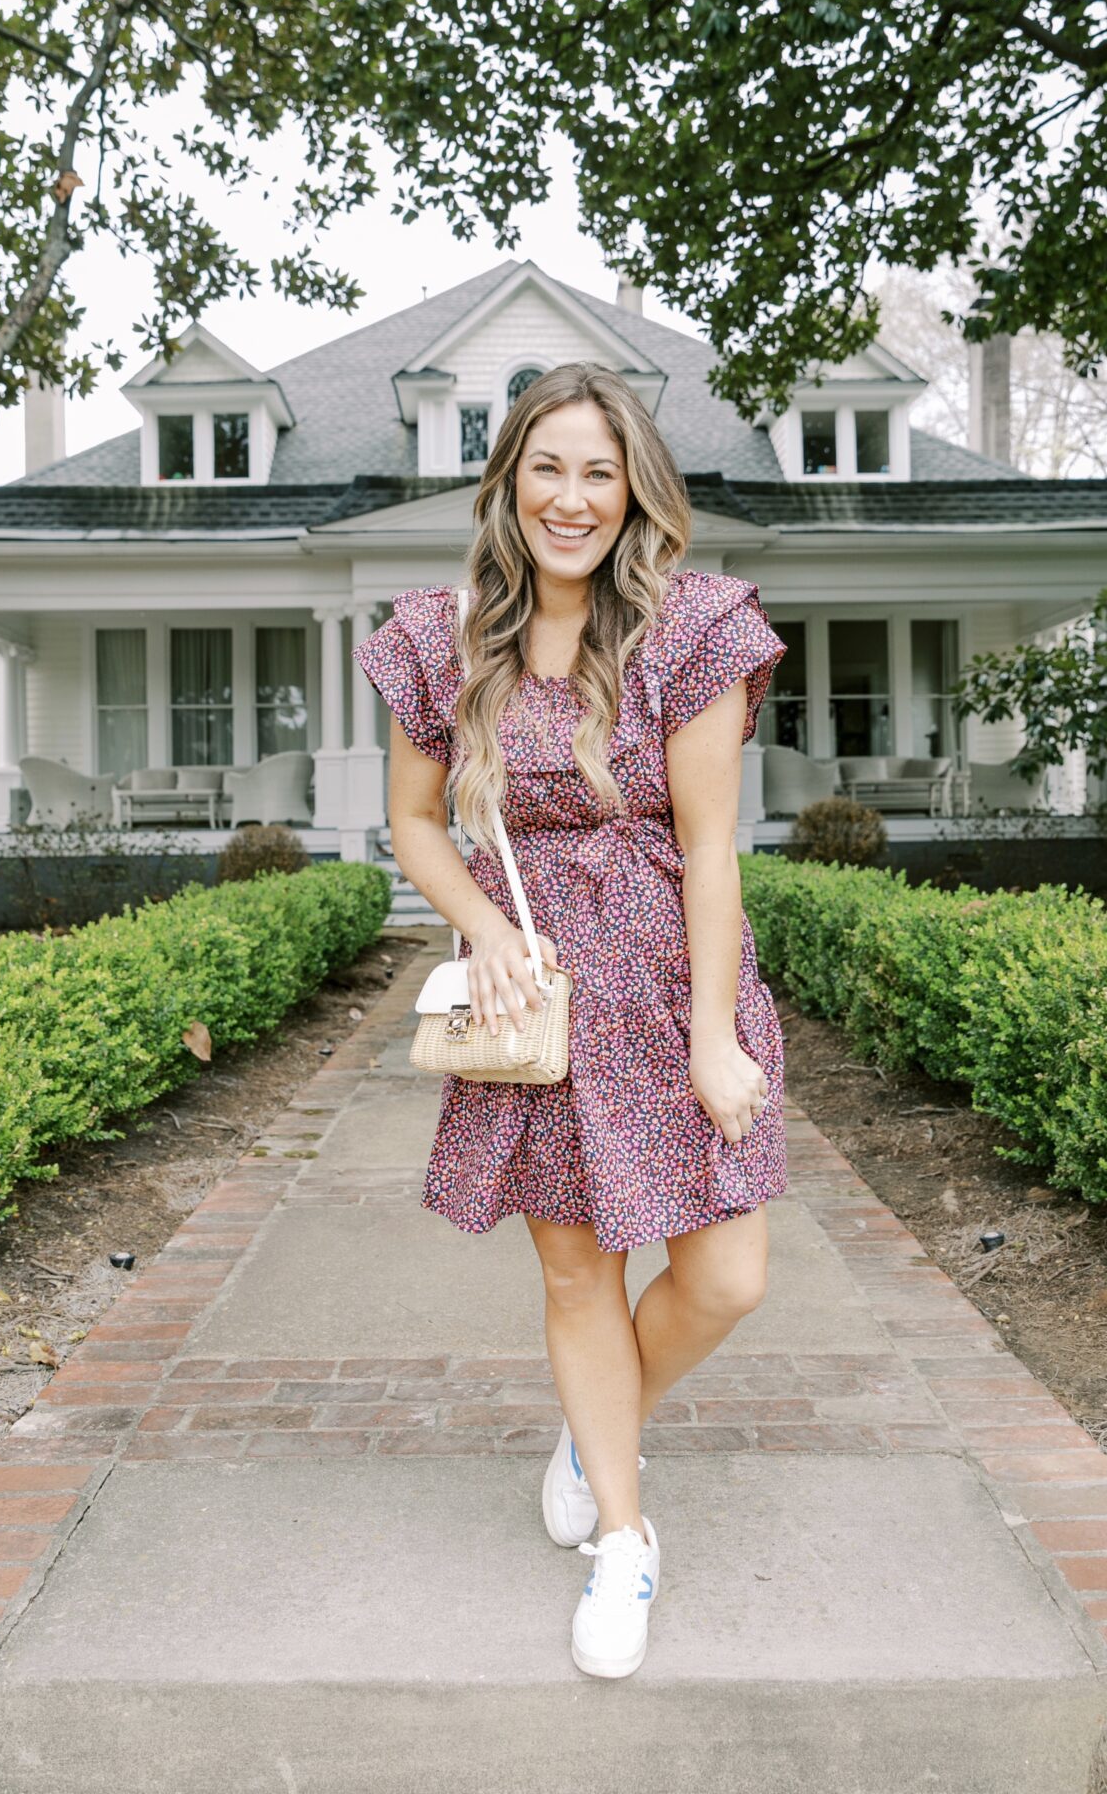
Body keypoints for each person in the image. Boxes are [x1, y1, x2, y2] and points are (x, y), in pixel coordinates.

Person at [353, 360, 788, 1681]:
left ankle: (596, 1422)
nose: (571, 495)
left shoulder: (695, 627)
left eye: (600, 471)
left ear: (633, 492)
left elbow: (710, 848)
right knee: (574, 1271)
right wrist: (483, 931)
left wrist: (715, 1035)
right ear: (508, 481)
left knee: (725, 1274)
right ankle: (622, 1529)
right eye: (547, 465)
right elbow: (413, 823)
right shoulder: (442, 636)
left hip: (670, 979)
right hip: (534, 992)